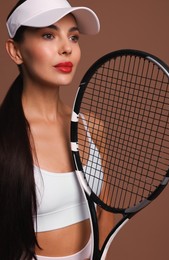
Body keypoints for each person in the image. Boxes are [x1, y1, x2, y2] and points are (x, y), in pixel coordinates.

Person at [0, 0, 115, 259]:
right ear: (15, 51)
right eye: (49, 35)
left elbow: (104, 217)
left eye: (73, 37)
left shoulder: (91, 127)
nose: (66, 49)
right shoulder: (5, 139)